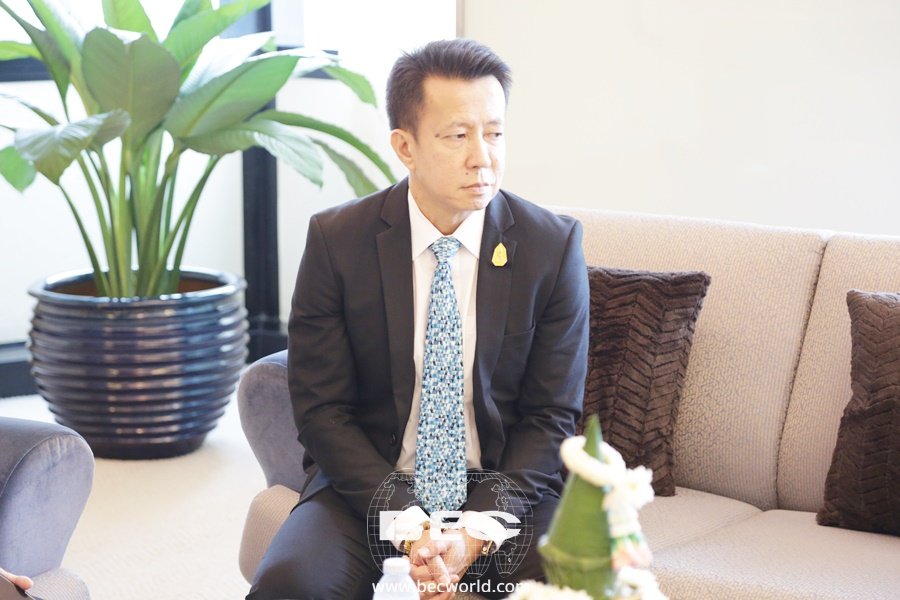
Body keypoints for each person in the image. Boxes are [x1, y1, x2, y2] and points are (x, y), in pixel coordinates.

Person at [247, 38, 589, 600]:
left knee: (577, 581)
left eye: (494, 133)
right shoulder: (337, 241)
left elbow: (551, 416)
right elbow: (322, 412)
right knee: (290, 584)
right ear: (404, 147)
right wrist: (410, 525)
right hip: (370, 490)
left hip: (503, 494)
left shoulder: (551, 247)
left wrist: (473, 531)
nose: (483, 157)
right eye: (458, 136)